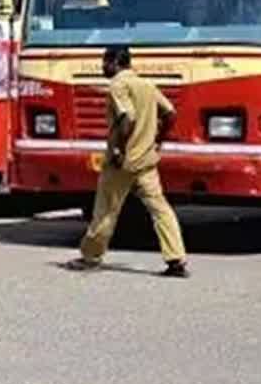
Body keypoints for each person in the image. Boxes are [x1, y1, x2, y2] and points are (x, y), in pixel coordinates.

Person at [65, 45, 189, 278]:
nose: (102, 67)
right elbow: (170, 113)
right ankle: (176, 259)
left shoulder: (117, 85)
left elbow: (127, 116)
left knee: (105, 210)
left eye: (104, 62)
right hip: (146, 161)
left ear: (114, 62)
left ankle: (90, 256)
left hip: (121, 163)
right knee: (160, 209)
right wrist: (158, 140)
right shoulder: (147, 85)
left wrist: (120, 149)